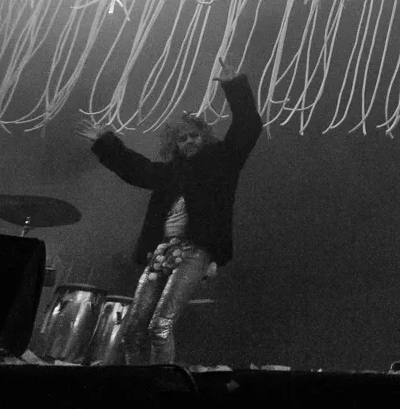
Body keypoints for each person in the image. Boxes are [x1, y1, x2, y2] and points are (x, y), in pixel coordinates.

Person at [76, 68, 263, 365]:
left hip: (195, 251)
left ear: (204, 137)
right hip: (162, 252)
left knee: (159, 328)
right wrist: (105, 143)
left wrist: (234, 86)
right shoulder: (170, 174)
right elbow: (136, 169)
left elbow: (247, 128)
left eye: (193, 136)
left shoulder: (222, 163)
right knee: (132, 332)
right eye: (182, 138)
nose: (188, 141)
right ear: (174, 144)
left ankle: (162, 385)